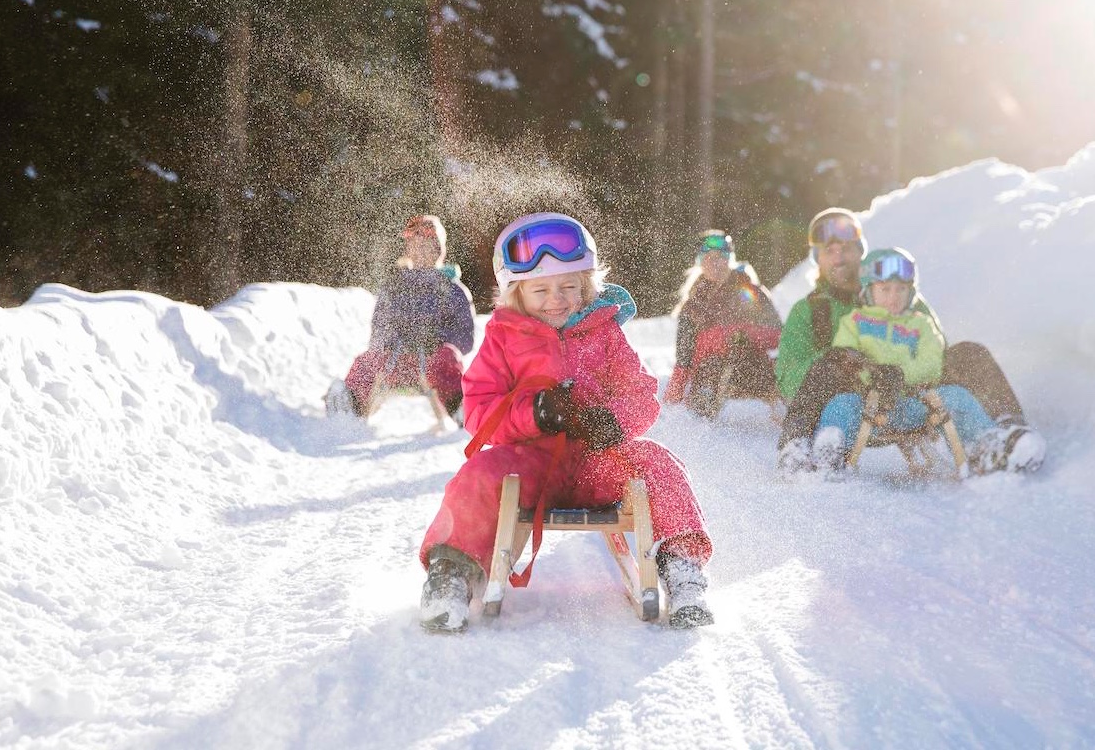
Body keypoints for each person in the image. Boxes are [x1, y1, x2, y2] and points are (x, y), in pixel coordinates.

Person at [417, 212, 715, 632]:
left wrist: (613, 422)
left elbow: (640, 392)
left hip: (600, 461)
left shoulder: (604, 331)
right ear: (516, 292)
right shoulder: (504, 337)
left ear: (588, 285)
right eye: (541, 289)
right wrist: (534, 412)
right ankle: (451, 573)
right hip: (532, 460)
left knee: (657, 464)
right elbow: (480, 409)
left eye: (569, 286)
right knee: (480, 473)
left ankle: (683, 569)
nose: (556, 299)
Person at [775, 208, 1042, 475]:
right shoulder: (810, 311)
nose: (839, 257)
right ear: (816, 259)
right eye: (829, 251)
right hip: (850, 403)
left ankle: (1005, 437)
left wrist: (904, 374)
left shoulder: (902, 298)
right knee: (829, 364)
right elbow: (788, 378)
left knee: (969, 353)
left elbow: (935, 350)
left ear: (860, 252)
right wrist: (853, 371)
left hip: (911, 397)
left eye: (846, 248)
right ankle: (803, 448)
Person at [325, 214, 475, 419]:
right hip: (396, 360)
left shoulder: (451, 289)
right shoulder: (395, 286)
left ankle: (459, 406)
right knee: (367, 361)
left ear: (439, 250)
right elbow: (379, 325)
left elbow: (465, 335)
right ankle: (350, 404)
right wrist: (389, 344)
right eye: (416, 244)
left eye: (428, 245)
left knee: (448, 358)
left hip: (433, 361)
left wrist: (439, 341)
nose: (421, 250)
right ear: (408, 249)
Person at [664, 230, 783, 417]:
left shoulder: (750, 291)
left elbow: (779, 335)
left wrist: (745, 333)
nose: (714, 262)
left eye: (720, 256)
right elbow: (684, 359)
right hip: (710, 374)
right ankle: (701, 424)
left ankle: (785, 415)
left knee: (773, 368)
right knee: (711, 365)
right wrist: (671, 401)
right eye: (707, 257)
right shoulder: (693, 304)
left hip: (750, 367)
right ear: (700, 262)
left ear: (729, 259)